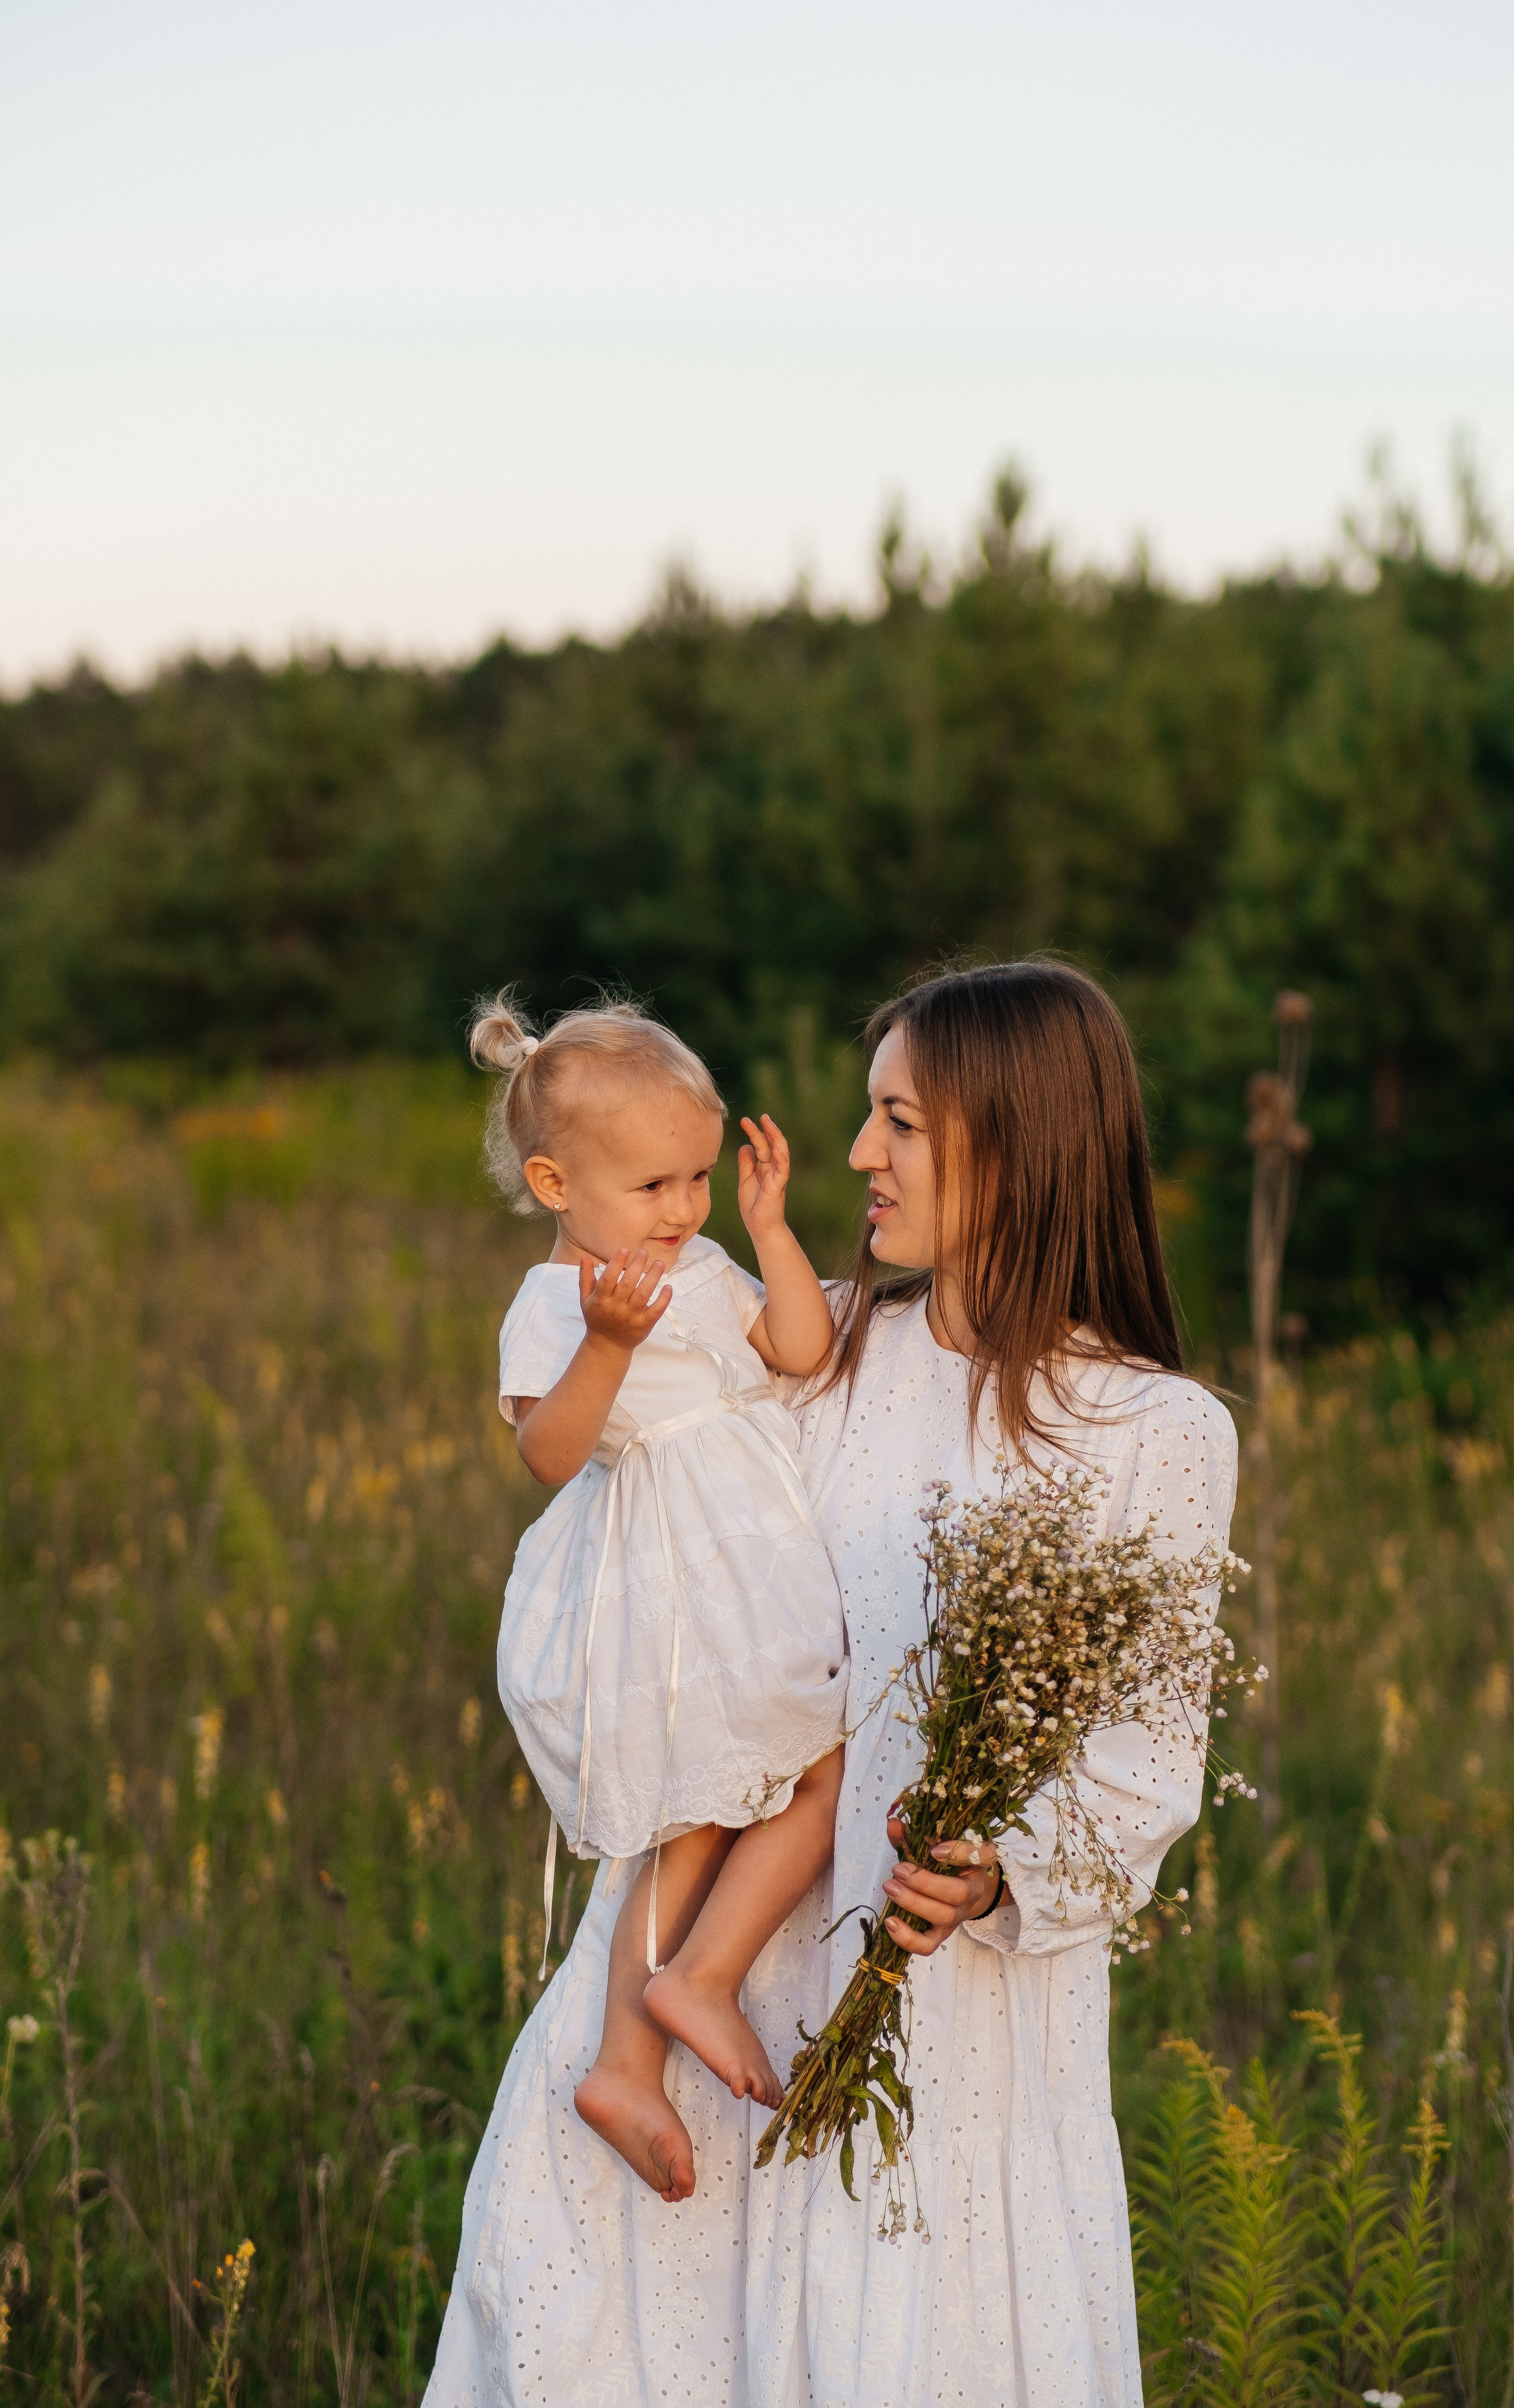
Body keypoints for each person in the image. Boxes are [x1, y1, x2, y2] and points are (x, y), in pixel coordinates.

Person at [427, 960, 1238, 2408]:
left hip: (938, 2033)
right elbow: (637, 1546)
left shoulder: (1154, 1432)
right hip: (693, 2002)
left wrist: (994, 1871)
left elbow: (1146, 1767)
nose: (859, 1151)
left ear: (1022, 1144)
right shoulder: (801, 1347)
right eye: (871, 1116)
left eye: (899, 1123)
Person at [470, 994, 848, 2207]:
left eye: (698, 1177)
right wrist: (608, 1345)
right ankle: (682, 1999)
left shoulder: (704, 1260)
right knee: (743, 1796)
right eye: (652, 1187)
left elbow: (802, 1350)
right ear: (555, 1184)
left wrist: (769, 1231)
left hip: (749, 1570)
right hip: (674, 1589)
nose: (683, 1208)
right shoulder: (556, 1307)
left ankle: (635, 2053)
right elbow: (549, 1454)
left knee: (756, 1792)